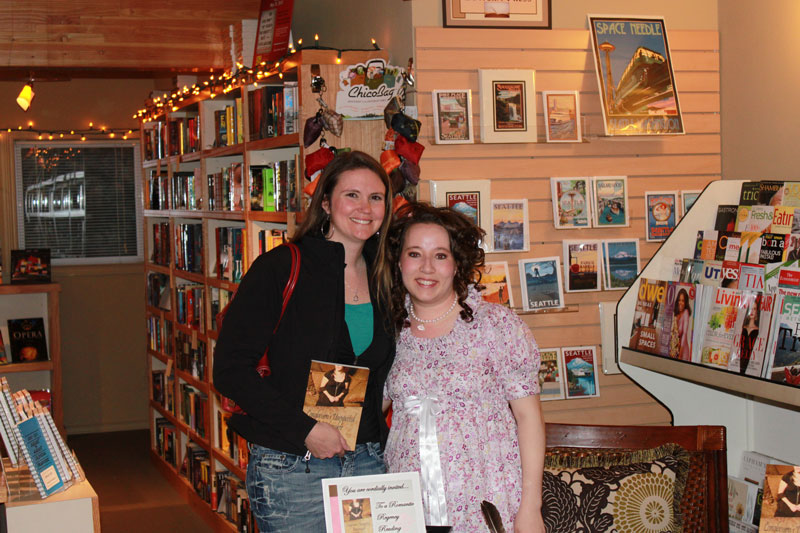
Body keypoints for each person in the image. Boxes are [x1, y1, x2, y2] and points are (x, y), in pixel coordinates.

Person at [213, 151, 396, 532]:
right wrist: (306, 429)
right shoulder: (280, 267)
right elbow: (230, 371)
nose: (365, 208)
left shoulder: (387, 276)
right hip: (292, 466)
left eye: (376, 197)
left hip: (365, 461)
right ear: (326, 203)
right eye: (352, 195)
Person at [383, 202, 545, 532]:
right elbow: (367, 414)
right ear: (399, 261)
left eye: (440, 255)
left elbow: (529, 418)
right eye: (415, 254)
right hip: (408, 507)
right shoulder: (387, 331)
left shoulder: (496, 326)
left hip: (485, 505)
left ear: (457, 264)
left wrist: (531, 506)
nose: (426, 267)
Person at [739, 295, 760, 374]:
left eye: (754, 309)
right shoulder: (741, 327)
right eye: (750, 308)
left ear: (756, 311)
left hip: (751, 365)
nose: (752, 311)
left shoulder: (758, 331)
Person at [671, 288, 692, 361]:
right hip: (675, 350)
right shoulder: (675, 313)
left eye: (683, 301)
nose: (680, 303)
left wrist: (680, 355)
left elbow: (684, 334)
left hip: (683, 352)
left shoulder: (686, 312)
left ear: (686, 302)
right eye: (679, 300)